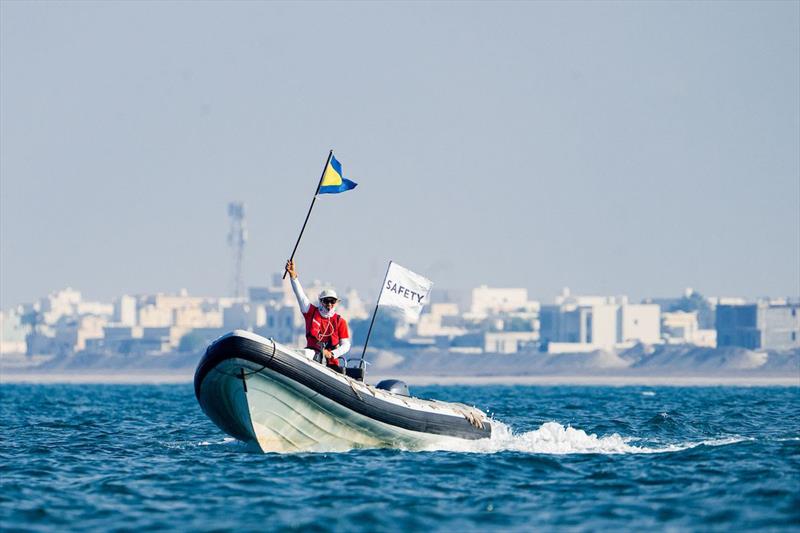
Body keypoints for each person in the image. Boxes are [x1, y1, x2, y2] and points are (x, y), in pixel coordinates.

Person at [285, 259, 351, 372]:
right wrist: (293, 276)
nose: (329, 304)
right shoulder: (310, 312)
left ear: (336, 303)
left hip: (331, 364)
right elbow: (300, 296)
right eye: (326, 301)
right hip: (311, 358)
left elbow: (346, 345)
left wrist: (332, 354)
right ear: (320, 301)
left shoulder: (340, 321)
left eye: (332, 301)